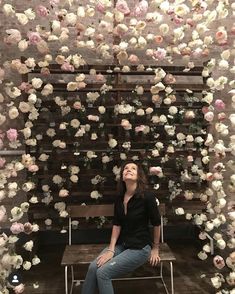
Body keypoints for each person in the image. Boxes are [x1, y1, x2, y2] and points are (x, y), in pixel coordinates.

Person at [81, 161, 161, 294]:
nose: (128, 170)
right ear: (122, 176)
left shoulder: (147, 197)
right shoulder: (119, 198)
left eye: (133, 168)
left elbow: (157, 223)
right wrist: (111, 249)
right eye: (125, 169)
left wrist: (156, 248)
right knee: (93, 267)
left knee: (103, 273)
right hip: (122, 245)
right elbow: (117, 225)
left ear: (139, 175)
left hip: (139, 248)